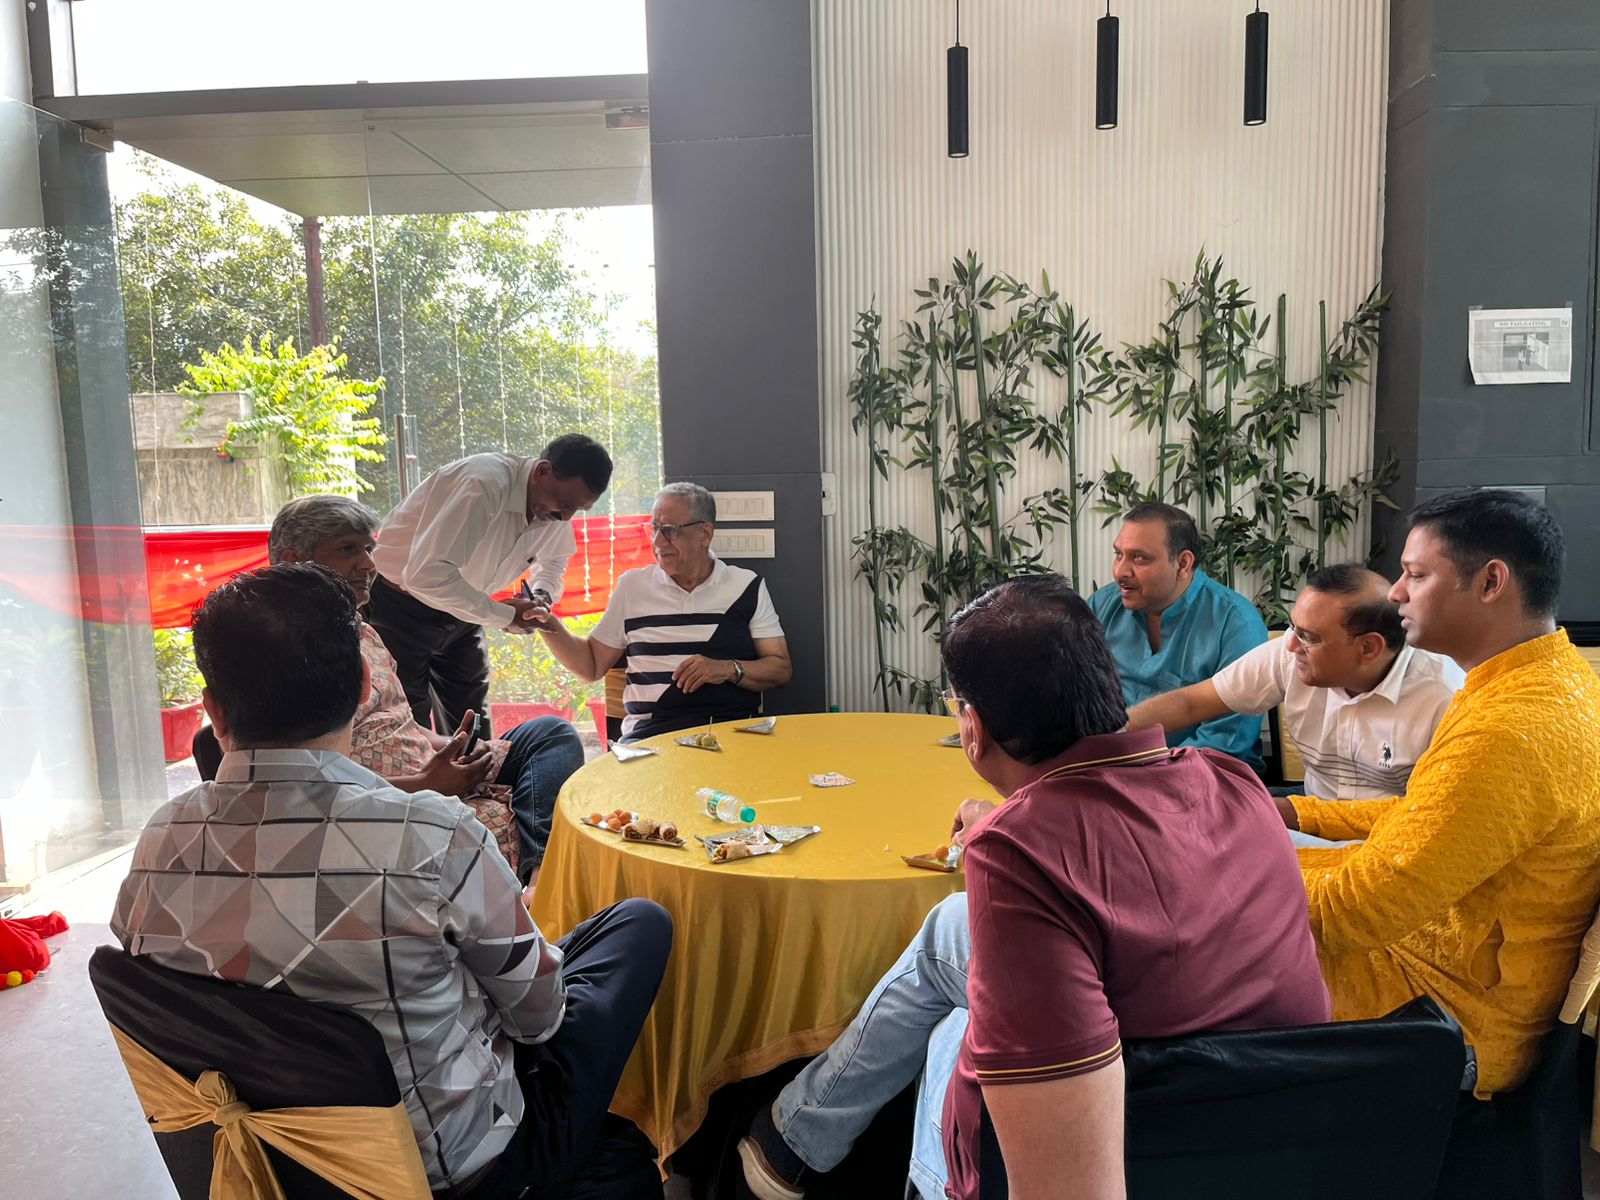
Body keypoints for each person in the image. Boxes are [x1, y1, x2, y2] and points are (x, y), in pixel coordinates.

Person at [739, 575, 1328, 1200]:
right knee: (950, 936)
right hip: (1283, 1131)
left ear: (973, 728)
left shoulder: (1018, 853)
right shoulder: (1231, 779)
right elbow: (1117, 851)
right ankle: (794, 1137)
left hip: (1143, 1132)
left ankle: (806, 1145)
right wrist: (1010, 820)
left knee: (950, 1017)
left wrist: (1009, 831)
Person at [112, 563, 672, 1195]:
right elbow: (538, 1020)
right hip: (452, 1171)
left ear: (212, 709)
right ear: (362, 687)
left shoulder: (158, 842)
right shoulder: (431, 835)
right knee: (637, 926)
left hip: (272, 1162)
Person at [1279, 490, 1600, 1096]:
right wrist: (1299, 812)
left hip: (1449, 1016)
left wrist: (1228, 861)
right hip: (1431, 963)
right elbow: (1435, 814)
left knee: (1197, 943)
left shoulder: (1512, 727)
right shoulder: (1547, 682)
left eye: (1416, 574)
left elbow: (1355, 915)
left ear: (1490, 582)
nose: (1395, 594)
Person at [269, 494, 584, 882]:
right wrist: (425, 785)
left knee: (551, 734)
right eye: (347, 549)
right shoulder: (287, 654)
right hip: (394, 807)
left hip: (432, 773)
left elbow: (401, 721)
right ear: (293, 561)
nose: (368, 564)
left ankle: (538, 873)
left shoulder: (362, 631)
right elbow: (302, 787)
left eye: (369, 549)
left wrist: (452, 746)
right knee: (540, 818)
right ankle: (543, 877)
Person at [1126, 563, 1463, 799]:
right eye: (1293, 628)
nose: (1290, 645)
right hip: (1310, 806)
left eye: (1308, 637)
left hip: (1391, 834)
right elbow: (1190, 703)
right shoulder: (1291, 654)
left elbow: (1436, 818)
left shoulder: (1445, 698)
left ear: (1368, 648)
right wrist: (1110, 734)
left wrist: (1290, 814)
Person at [368, 434, 612, 733]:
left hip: (464, 608)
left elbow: (554, 562)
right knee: (407, 725)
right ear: (543, 470)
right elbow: (425, 575)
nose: (566, 516)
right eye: (565, 503)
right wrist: (506, 616)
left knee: (472, 724)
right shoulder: (483, 484)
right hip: (399, 609)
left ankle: (474, 766)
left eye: (578, 509)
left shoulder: (554, 509)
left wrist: (541, 594)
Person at [534, 482, 792, 740]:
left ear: (705, 534)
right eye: (654, 529)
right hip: (652, 739)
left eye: (670, 531)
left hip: (733, 735)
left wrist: (727, 669)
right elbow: (590, 666)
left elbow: (780, 670)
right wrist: (545, 622)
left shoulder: (746, 586)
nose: (658, 542)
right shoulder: (632, 587)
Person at [1088, 502, 1269, 767]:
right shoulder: (1102, 606)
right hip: (1110, 766)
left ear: (1183, 563)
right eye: (1119, 555)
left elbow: (1224, 744)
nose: (1120, 572)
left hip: (1206, 775)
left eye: (1139, 558)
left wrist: (1140, 776)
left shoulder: (1237, 624)